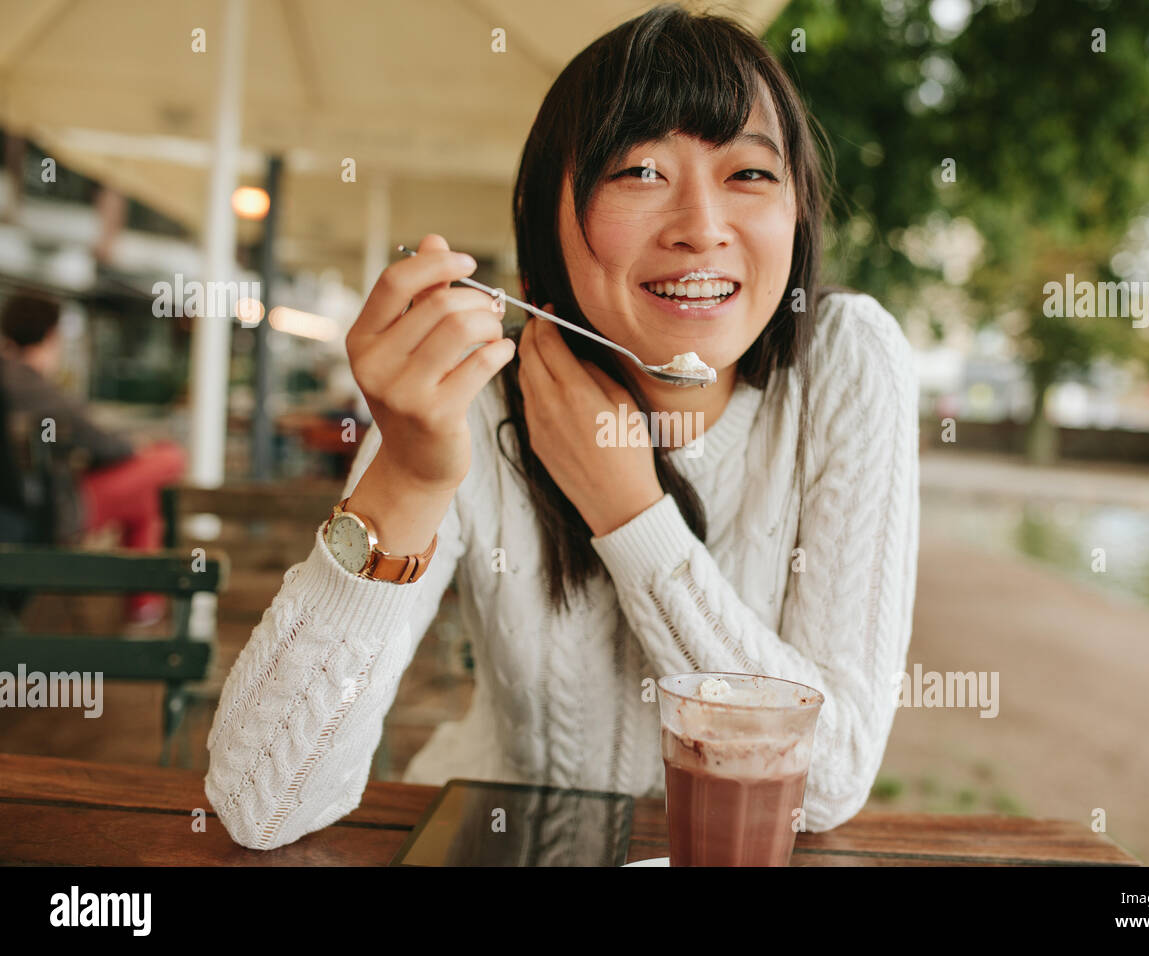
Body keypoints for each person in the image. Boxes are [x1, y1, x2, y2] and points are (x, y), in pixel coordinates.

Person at [205, 3, 919, 851]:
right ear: (551, 213)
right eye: (639, 172)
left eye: (751, 175)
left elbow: (826, 778)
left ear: (798, 213)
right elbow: (262, 802)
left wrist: (630, 514)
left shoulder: (846, 362)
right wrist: (410, 476)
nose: (700, 226)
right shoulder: (473, 395)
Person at [0, 291, 188, 626]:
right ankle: (144, 609)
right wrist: (139, 446)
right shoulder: (38, 389)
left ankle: (145, 608)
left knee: (145, 503)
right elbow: (107, 448)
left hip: (29, 505)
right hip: (53, 511)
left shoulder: (10, 380)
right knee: (169, 458)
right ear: (51, 335)